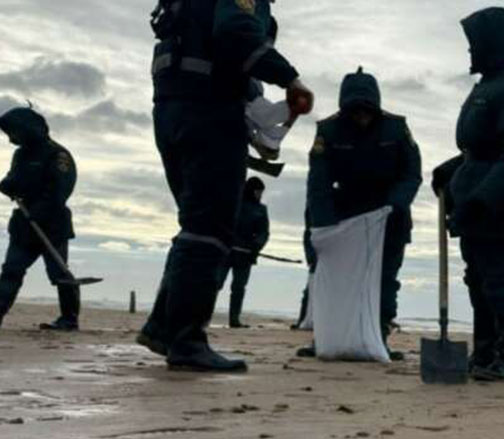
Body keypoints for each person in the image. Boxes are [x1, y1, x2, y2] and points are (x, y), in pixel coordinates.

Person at [140, 0, 313, 371]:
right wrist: (290, 78)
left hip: (172, 112)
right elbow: (237, 33)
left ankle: (162, 328)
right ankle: (187, 341)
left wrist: (281, 114)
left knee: (195, 226)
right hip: (209, 115)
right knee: (209, 231)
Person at [432, 6, 504, 382]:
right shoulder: (487, 87)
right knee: (478, 279)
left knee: (502, 280)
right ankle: (483, 352)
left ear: (494, 43)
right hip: (473, 200)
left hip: (502, 207)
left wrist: (482, 200)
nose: (470, 52)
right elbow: (480, 148)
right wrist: (452, 172)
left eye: (475, 43)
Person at [305, 68, 422, 361]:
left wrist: (394, 205)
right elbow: (318, 181)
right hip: (345, 213)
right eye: (354, 111)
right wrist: (322, 225)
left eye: (366, 111)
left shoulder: (397, 129)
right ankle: (326, 336)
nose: (361, 117)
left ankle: (378, 336)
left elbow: (411, 174)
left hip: (390, 216)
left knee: (385, 279)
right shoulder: (328, 131)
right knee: (335, 277)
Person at [0, 107, 78, 331]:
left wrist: (41, 210)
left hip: (52, 225)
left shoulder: (57, 154)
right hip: (24, 225)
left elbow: (60, 189)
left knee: (59, 272)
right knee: (11, 270)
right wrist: (7, 185)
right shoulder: (21, 154)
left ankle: (69, 319)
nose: (11, 139)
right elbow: (13, 179)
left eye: (13, 132)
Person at [217, 177, 269, 329]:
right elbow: (223, 223)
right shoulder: (234, 203)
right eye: (258, 192)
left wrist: (256, 247)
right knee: (216, 283)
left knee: (239, 288)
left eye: (261, 192)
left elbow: (264, 232)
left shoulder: (261, 210)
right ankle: (202, 315)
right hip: (226, 251)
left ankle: (234, 319)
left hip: (246, 255)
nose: (260, 195)